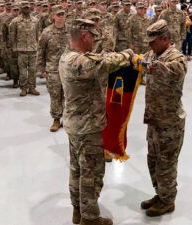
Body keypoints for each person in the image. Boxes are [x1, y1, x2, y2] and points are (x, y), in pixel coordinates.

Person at [59, 19, 135, 225]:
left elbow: (98, 57)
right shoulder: (79, 62)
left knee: (76, 170)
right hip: (87, 127)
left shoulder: (68, 57)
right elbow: (103, 63)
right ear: (84, 36)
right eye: (92, 37)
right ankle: (90, 218)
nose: (94, 41)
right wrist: (127, 54)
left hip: (75, 125)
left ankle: (78, 211)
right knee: (91, 173)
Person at [140, 19, 187, 217]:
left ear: (165, 39)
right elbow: (141, 60)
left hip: (170, 122)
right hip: (154, 118)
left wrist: (152, 66)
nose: (149, 45)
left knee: (166, 162)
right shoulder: (153, 53)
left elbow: (174, 71)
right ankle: (160, 194)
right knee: (153, 160)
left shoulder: (177, 58)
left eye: (153, 41)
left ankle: (168, 201)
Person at [37, 5, 70, 132]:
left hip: (68, 68)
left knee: (69, 95)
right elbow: (41, 51)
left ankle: (67, 119)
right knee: (55, 95)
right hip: (53, 69)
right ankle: (56, 119)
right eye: (59, 14)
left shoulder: (71, 32)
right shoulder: (46, 32)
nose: (61, 17)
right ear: (53, 16)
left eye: (63, 14)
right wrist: (42, 69)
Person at [10, 1, 40, 96]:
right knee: (22, 70)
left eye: (27, 7)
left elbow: (38, 35)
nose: (26, 9)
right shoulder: (15, 21)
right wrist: (14, 48)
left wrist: (38, 47)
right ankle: (23, 88)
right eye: (24, 8)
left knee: (33, 70)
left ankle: (32, 87)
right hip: (21, 49)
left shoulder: (35, 20)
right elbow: (12, 36)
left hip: (33, 49)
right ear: (21, 9)